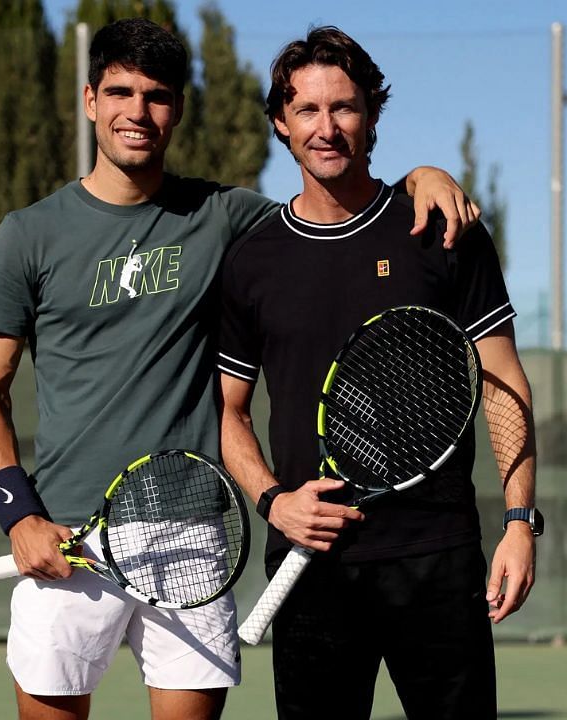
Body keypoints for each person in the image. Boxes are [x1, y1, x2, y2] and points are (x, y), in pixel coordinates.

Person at [0, 16, 484, 720]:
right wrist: (19, 516)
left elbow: (332, 205)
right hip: (67, 533)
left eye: (157, 96)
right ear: (90, 100)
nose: (136, 112)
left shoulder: (227, 217)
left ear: (176, 109)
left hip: (194, 537)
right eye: (120, 92)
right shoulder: (25, 236)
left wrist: (422, 176)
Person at [217, 26, 538, 720]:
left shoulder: (441, 227)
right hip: (311, 562)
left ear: (371, 116)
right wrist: (276, 502)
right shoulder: (252, 260)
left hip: (437, 556)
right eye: (307, 110)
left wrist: (519, 522)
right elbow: (230, 414)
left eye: (345, 108)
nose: (327, 127)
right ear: (280, 121)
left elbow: (503, 380)